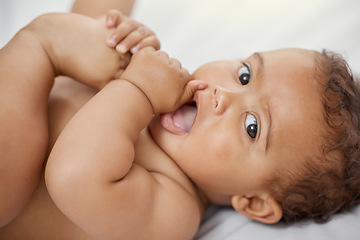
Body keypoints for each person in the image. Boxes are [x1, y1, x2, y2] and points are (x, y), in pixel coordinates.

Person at [1, 5, 360, 240]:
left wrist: (135, 89)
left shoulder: (173, 211)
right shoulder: (166, 93)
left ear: (253, 202)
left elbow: (73, 176)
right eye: (245, 74)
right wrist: (119, 41)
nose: (224, 94)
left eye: (252, 126)